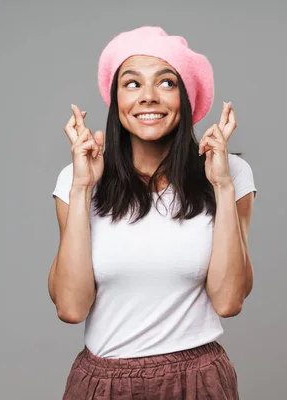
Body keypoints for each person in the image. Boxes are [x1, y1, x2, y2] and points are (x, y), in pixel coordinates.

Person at [48, 26, 257, 399]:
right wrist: (82, 189)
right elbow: (70, 306)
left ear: (186, 97)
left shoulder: (228, 175)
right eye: (131, 84)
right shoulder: (77, 179)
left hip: (197, 381)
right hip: (103, 383)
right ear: (116, 101)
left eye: (166, 83)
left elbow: (229, 301)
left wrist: (222, 186)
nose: (147, 97)